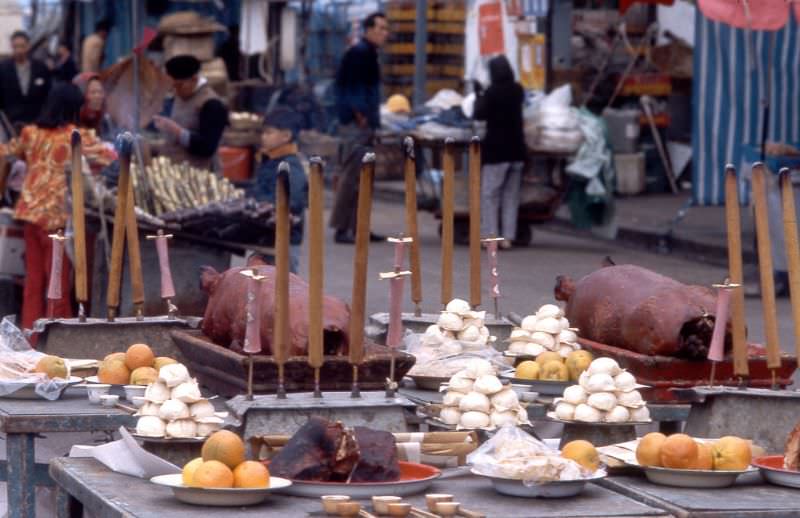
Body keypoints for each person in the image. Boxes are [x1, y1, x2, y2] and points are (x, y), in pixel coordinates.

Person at [0, 83, 116, 330]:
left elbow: (5, 152)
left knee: (34, 282)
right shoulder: (76, 136)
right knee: (58, 284)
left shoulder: (30, 133)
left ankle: (31, 336)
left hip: (30, 216)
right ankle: (56, 336)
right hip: (58, 220)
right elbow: (110, 157)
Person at [328, 12, 389, 244]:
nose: (384, 33)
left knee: (364, 177)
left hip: (365, 123)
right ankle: (342, 228)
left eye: (386, 28)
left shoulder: (369, 54)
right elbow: (351, 89)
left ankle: (359, 227)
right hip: (356, 125)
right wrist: (361, 115)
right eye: (380, 28)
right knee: (352, 176)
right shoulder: (359, 53)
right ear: (368, 30)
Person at [472, 55, 527, 249]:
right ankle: (508, 238)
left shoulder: (492, 93)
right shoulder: (518, 90)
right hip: (517, 151)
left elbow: (478, 114)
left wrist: (479, 93)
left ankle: (490, 237)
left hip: (497, 152)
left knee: (490, 195)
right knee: (510, 196)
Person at [252, 107, 308, 274]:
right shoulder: (270, 159)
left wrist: (266, 206)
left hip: (285, 238)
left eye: (269, 133)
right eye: (263, 132)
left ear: (286, 136)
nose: (263, 137)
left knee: (284, 287)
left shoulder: (290, 165)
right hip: (268, 236)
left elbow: (294, 200)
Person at [153, 54, 229, 170]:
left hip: (199, 173)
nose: (175, 91)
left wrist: (177, 131)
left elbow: (207, 147)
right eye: (172, 86)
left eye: (179, 85)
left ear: (194, 79)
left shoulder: (211, 104)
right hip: (173, 168)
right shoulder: (178, 95)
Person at [0, 31, 52, 128]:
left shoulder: (41, 68)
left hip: (37, 123)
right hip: (11, 123)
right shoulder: (3, 69)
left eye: (22, 46)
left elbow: (48, 95)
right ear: (12, 47)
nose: (19, 50)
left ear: (28, 46)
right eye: (16, 47)